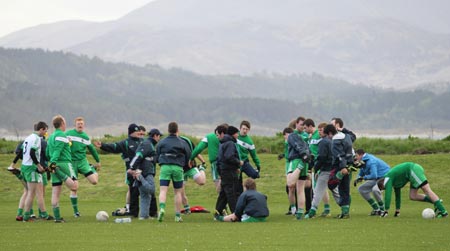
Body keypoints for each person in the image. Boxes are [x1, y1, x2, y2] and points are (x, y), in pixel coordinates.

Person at [94, 123, 143, 217]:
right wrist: (102, 145)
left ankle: (150, 211)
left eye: (138, 131)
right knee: (133, 191)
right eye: (136, 131)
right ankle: (133, 212)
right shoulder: (126, 142)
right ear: (131, 132)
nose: (138, 133)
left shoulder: (142, 141)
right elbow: (114, 147)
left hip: (143, 171)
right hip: (131, 172)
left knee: (147, 191)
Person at [9, 122, 53, 222]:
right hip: (31, 168)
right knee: (31, 193)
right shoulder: (37, 139)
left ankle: (43, 214)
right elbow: (32, 152)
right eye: (45, 130)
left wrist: (13, 163)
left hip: (25, 167)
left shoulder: (28, 137)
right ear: (41, 129)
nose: (46, 132)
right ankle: (26, 217)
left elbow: (20, 152)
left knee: (33, 192)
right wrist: (38, 165)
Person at [377, 162, 448, 218]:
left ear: (382, 185)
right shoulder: (394, 181)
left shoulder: (388, 179)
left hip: (413, 169)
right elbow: (397, 195)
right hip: (411, 175)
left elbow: (388, 195)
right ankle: (437, 202)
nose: (386, 189)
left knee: (426, 189)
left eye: (384, 188)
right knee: (413, 196)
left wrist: (386, 211)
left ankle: (443, 212)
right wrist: (397, 210)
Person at [156, 122, 191, 222]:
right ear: (177, 130)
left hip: (165, 167)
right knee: (178, 192)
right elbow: (188, 155)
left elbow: (157, 154)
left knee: (163, 190)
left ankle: (162, 208)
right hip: (177, 168)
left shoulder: (162, 142)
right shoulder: (182, 142)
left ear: (168, 130)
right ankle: (177, 215)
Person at [65, 117, 101, 217]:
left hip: (82, 162)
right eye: (78, 124)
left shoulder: (85, 137)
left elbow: (92, 150)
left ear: (83, 125)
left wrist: (98, 161)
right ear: (75, 125)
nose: (80, 125)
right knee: (74, 188)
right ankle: (76, 212)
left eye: (82, 124)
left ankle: (91, 168)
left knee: (94, 181)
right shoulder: (68, 134)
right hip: (71, 163)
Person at [46, 115, 79, 223]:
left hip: (53, 164)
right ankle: (59, 172)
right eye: (65, 122)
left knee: (55, 192)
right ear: (62, 124)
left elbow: (47, 152)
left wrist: (51, 162)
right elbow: (58, 150)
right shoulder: (61, 134)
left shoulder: (51, 136)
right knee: (74, 186)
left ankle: (57, 218)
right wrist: (54, 164)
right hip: (63, 164)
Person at [305, 122, 339, 219]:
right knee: (335, 190)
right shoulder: (333, 141)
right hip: (333, 169)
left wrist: (316, 168)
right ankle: (345, 207)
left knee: (318, 191)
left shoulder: (323, 142)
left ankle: (312, 211)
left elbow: (322, 157)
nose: (320, 132)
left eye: (322, 130)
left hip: (325, 170)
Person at [323, 123, 353, 219]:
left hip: (340, 166)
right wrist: (344, 129)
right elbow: (354, 136)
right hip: (349, 165)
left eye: (328, 135)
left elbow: (340, 155)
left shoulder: (335, 140)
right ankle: (345, 213)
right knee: (345, 189)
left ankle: (339, 175)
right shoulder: (346, 136)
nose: (328, 138)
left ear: (330, 133)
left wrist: (342, 168)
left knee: (331, 184)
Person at [190, 124, 228, 193]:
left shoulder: (209, 137)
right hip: (229, 164)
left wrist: (191, 158)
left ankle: (221, 202)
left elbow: (199, 148)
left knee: (219, 187)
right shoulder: (231, 137)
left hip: (216, 163)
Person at [215, 126, 243, 217]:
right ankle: (235, 214)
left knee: (223, 193)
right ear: (232, 134)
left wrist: (220, 172)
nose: (237, 135)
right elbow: (229, 157)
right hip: (229, 172)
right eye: (236, 133)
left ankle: (218, 211)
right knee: (232, 193)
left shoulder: (222, 143)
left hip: (224, 171)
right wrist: (238, 163)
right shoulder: (230, 143)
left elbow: (219, 160)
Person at [286, 117, 311, 220]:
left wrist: (303, 157)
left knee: (290, 184)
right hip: (305, 161)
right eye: (301, 125)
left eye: (304, 126)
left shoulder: (292, 135)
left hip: (297, 161)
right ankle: (299, 214)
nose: (302, 127)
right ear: (296, 124)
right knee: (300, 189)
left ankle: (295, 210)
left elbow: (297, 146)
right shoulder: (306, 136)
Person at [128, 132, 157, 220]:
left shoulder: (149, 144)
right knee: (151, 189)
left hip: (143, 171)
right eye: (159, 136)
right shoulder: (147, 144)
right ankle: (139, 178)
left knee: (145, 196)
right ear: (155, 136)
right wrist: (131, 168)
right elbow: (138, 156)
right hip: (145, 172)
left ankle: (144, 216)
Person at [353, 149, 390, 216]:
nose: (356, 157)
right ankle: (376, 209)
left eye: (356, 155)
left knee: (375, 190)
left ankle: (382, 210)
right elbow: (362, 171)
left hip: (385, 176)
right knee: (361, 189)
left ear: (361, 155)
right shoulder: (363, 160)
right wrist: (358, 178)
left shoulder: (371, 161)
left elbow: (374, 175)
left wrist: (363, 178)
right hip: (377, 178)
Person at [179, 135, 206, 214]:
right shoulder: (171, 143)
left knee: (202, 181)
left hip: (190, 167)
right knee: (181, 192)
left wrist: (203, 162)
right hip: (180, 170)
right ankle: (187, 209)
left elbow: (195, 151)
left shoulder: (186, 140)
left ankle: (201, 168)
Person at [279, 127, 296, 215]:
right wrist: (283, 155)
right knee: (290, 187)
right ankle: (293, 208)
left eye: (286, 135)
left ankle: (294, 207)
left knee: (292, 186)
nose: (286, 137)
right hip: (288, 165)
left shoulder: (292, 141)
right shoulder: (287, 142)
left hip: (293, 164)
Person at [148, 128, 163, 217]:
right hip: (148, 171)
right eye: (159, 136)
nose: (159, 138)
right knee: (151, 191)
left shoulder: (151, 144)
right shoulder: (150, 145)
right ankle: (152, 213)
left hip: (149, 171)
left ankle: (151, 212)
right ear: (155, 136)